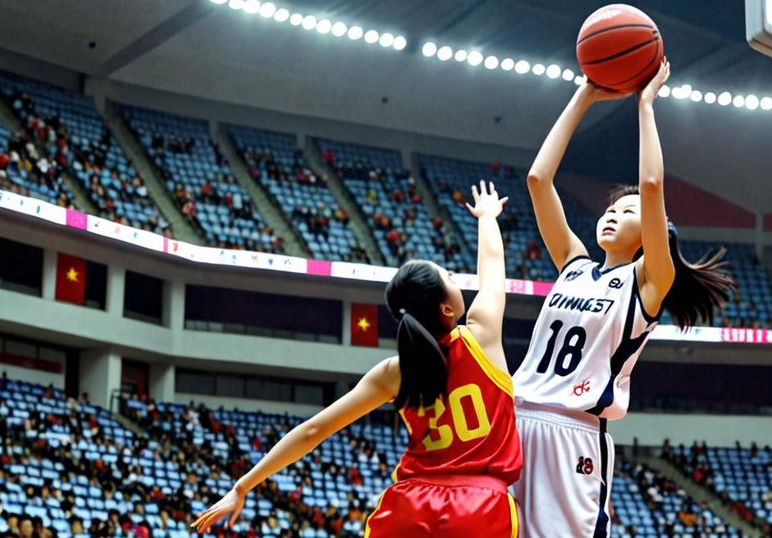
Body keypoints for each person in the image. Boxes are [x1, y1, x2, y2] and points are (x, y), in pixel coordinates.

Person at [192, 181, 521, 537]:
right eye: (451, 277)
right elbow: (493, 264)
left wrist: (243, 485)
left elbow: (313, 431)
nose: (457, 281)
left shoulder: (393, 372)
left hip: (410, 507)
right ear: (446, 307)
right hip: (480, 505)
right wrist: (487, 216)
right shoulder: (482, 334)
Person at [512, 59, 733, 537]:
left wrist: (646, 105)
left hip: (574, 433)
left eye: (627, 210)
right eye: (610, 207)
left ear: (653, 231)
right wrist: (584, 96)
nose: (612, 214)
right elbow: (537, 180)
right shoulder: (573, 264)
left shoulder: (651, 280)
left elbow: (651, 186)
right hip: (515, 418)